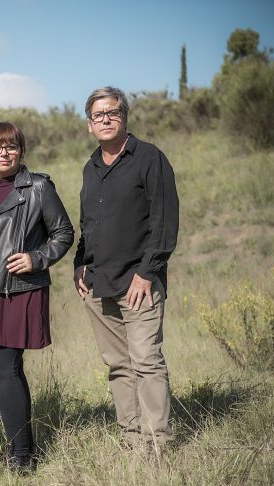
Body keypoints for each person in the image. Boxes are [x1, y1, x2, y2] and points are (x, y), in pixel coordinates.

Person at [0, 122, 73, 471]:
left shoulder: (37, 186)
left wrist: (36, 258)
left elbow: (63, 232)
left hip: (15, 289)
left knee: (2, 367)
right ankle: (22, 450)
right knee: (6, 368)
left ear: (21, 151)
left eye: (10, 146)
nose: (3, 153)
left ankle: (22, 456)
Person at [74, 86, 179, 450]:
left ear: (124, 117)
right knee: (119, 366)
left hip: (139, 284)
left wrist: (147, 273)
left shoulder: (149, 158)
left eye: (112, 112)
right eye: (98, 115)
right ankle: (132, 438)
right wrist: (79, 266)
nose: (105, 119)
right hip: (99, 285)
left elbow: (164, 223)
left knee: (146, 361)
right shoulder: (91, 168)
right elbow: (89, 225)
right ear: (89, 124)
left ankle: (158, 443)